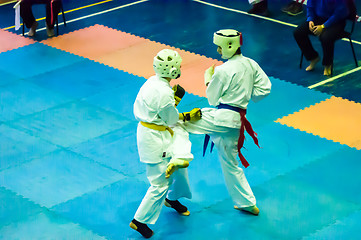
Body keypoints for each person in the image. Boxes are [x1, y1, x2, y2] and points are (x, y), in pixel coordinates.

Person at [172, 29, 271, 216]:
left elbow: (212, 99)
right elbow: (265, 89)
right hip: (236, 122)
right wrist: (246, 95)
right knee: (230, 163)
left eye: (219, 47)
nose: (218, 51)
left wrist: (208, 78)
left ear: (230, 45)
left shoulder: (223, 70)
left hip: (222, 117)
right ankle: (247, 203)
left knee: (176, 121)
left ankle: (179, 158)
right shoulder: (251, 64)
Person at [130, 49, 202, 238]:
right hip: (155, 138)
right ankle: (139, 221)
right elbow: (171, 119)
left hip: (155, 132)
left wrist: (173, 101)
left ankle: (173, 198)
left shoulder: (152, 81)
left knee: (179, 167)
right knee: (160, 182)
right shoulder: (164, 93)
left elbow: (162, 111)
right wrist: (185, 114)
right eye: (177, 67)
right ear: (172, 70)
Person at [293, 0, 350, 76]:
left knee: (325, 37)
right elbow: (310, 7)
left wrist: (323, 26)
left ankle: (327, 64)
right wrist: (310, 20)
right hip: (319, 19)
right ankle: (313, 58)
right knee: (298, 32)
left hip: (336, 22)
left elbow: (338, 14)